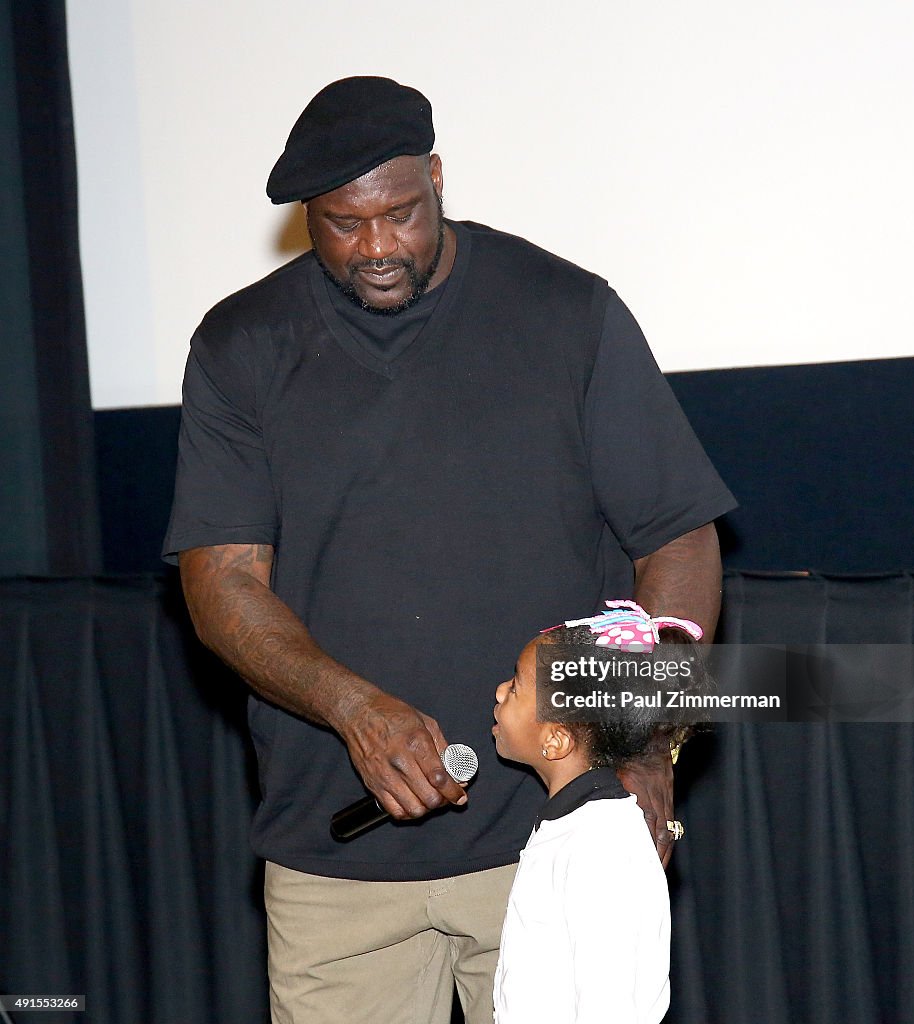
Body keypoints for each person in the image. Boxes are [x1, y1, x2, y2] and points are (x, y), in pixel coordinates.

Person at [163, 75, 736, 1024]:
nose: (377, 247)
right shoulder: (241, 347)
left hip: (549, 841)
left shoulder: (566, 312)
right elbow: (220, 581)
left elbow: (676, 538)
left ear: (436, 178)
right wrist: (355, 710)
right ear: (309, 216)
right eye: (344, 225)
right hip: (334, 855)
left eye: (401, 214)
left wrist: (644, 745)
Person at [492, 605, 712, 1023]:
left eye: (517, 687)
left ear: (556, 740)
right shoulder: (574, 824)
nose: (501, 691)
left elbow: (611, 1008)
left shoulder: (602, 845)